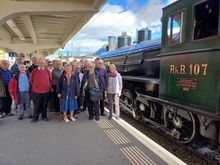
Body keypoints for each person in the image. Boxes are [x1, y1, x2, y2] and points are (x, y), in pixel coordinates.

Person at [30, 58, 52, 123]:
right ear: (38, 63)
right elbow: (31, 80)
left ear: (44, 63)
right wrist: (35, 86)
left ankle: (44, 116)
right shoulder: (34, 71)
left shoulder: (47, 70)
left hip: (46, 91)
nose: (41, 64)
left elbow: (50, 80)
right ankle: (35, 118)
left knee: (44, 105)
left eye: (43, 63)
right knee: (36, 105)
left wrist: (48, 87)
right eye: (40, 63)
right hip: (36, 91)